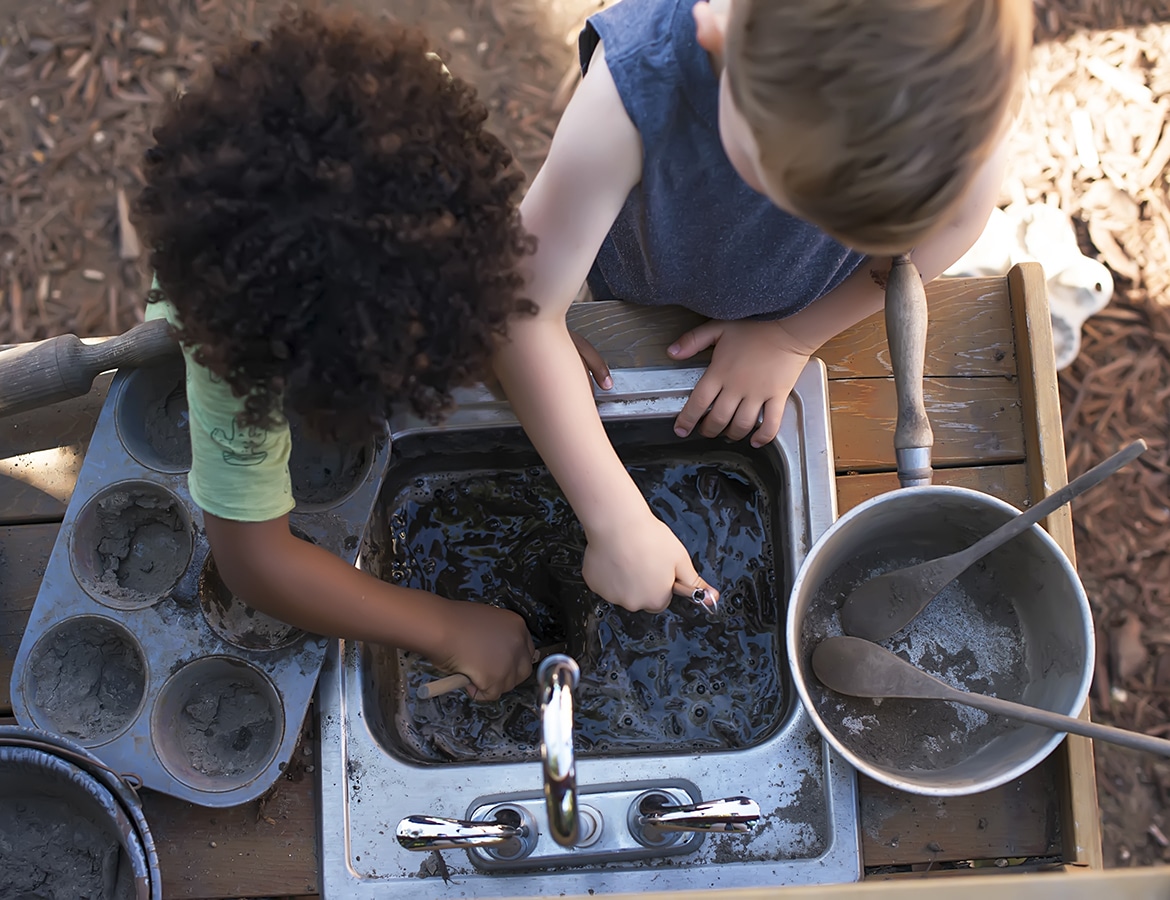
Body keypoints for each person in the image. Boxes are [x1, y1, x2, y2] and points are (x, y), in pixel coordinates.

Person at [493, 0, 1032, 614]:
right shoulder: (633, 93)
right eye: (780, 190)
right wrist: (617, 521)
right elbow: (520, 309)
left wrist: (794, 336)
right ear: (715, 27)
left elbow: (960, 220)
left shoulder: (952, 105)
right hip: (638, 284)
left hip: (786, 316)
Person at [131, 8, 540, 700]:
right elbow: (255, 562)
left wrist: (511, 320)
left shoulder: (411, 138)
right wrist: (445, 627)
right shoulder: (233, 352)